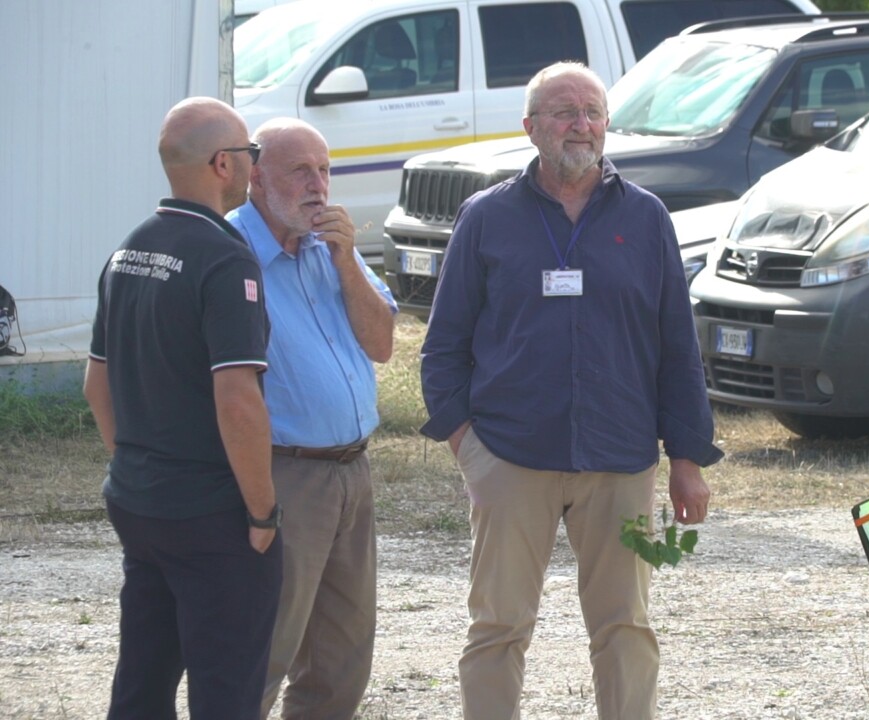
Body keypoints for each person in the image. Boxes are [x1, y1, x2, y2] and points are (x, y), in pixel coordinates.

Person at [419, 61, 721, 720]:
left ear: (607, 124)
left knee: (625, 628)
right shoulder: (486, 217)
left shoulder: (645, 218)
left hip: (621, 456)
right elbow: (443, 348)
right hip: (510, 452)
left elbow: (677, 349)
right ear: (531, 128)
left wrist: (688, 461)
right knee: (498, 627)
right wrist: (471, 448)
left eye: (592, 111)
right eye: (563, 111)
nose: (580, 124)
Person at [83, 96, 281, 720]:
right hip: (211, 513)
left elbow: (97, 383)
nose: (255, 165)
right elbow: (238, 401)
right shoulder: (224, 258)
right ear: (224, 164)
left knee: (143, 678)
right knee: (226, 689)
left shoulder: (129, 249)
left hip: (140, 500)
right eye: (251, 154)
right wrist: (263, 512)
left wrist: (139, 466)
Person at [226, 117, 397, 720]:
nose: (318, 186)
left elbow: (381, 343)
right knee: (265, 647)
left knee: (342, 654)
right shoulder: (231, 253)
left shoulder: (331, 245)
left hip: (351, 471)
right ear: (255, 177)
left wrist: (348, 259)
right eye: (301, 171)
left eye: (325, 170)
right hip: (283, 473)